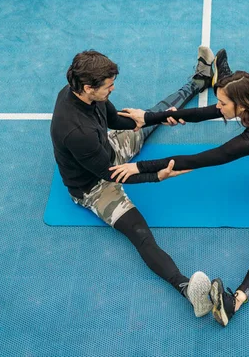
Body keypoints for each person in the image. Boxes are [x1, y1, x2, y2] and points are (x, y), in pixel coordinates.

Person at [109, 49, 249, 327]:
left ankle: (235, 302)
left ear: (239, 106)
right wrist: (150, 117)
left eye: (222, 103)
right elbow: (207, 111)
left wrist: (140, 167)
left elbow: (202, 159)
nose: (217, 107)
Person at [49, 47, 217, 317]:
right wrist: (155, 177)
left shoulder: (86, 93)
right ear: (89, 87)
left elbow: (113, 119)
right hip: (93, 186)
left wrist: (149, 119)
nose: (112, 89)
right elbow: (111, 173)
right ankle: (187, 290)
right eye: (108, 86)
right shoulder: (75, 131)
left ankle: (199, 80)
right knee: (140, 234)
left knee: (155, 113)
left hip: (107, 149)